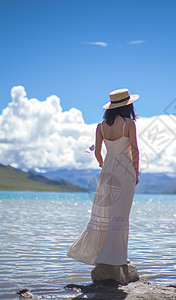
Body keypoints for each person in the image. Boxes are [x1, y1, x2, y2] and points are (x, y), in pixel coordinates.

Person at [67, 88, 139, 266]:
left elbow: (98, 153)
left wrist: (102, 164)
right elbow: (135, 149)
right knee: (121, 215)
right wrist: (136, 172)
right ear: (127, 106)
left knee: (107, 212)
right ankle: (117, 256)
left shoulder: (100, 126)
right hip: (125, 172)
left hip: (107, 171)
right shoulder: (129, 123)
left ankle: (103, 254)